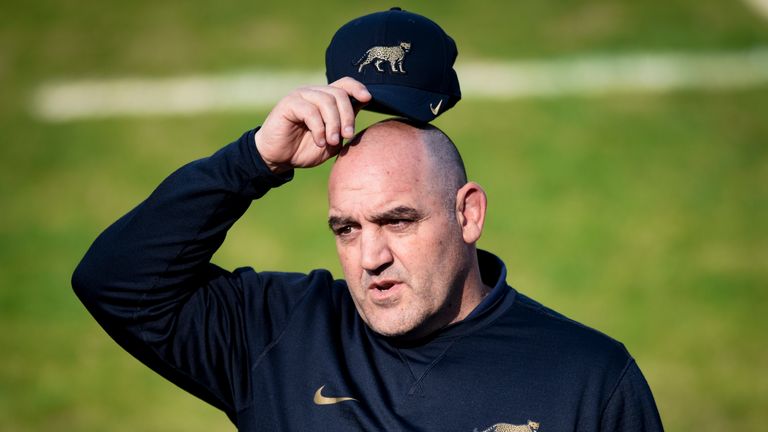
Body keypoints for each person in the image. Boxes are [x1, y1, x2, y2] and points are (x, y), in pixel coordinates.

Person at [72, 76, 664, 431]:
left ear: (468, 215)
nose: (370, 256)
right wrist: (254, 161)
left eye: (397, 221)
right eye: (347, 229)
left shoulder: (588, 379)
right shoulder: (278, 334)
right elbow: (115, 281)